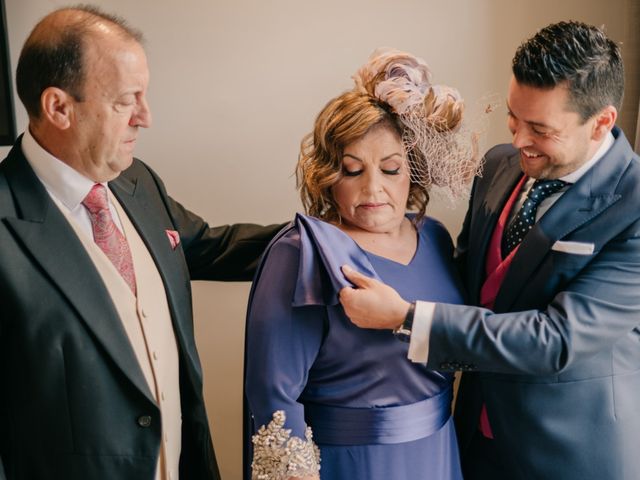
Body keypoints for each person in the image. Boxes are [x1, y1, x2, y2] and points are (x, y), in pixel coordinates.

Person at [339, 21, 640, 479]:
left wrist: (405, 317)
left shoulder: (634, 205)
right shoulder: (500, 164)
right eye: (513, 118)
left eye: (539, 129)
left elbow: (555, 339)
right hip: (472, 438)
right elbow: (462, 276)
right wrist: (325, 241)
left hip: (570, 453)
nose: (518, 140)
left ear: (601, 123)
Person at [0, 6, 282, 480]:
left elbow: (209, 246)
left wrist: (328, 236)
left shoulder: (137, 182)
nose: (145, 118)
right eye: (126, 101)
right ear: (58, 107)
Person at [243, 48, 482, 480]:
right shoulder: (302, 252)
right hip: (348, 464)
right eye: (352, 171)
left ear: (414, 169)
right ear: (327, 175)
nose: (373, 188)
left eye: (390, 169)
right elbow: (273, 395)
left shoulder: (434, 237)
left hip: (438, 453)